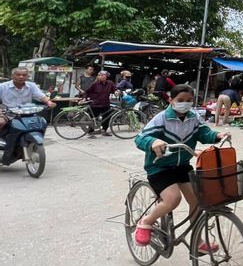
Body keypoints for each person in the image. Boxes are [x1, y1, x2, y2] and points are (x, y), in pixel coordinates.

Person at [132, 84, 228, 249]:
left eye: (189, 100)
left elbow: (203, 133)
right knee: (173, 199)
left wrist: (217, 135)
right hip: (159, 168)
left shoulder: (194, 117)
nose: (185, 103)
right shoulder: (161, 118)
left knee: (198, 201)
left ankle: (197, 242)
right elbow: (140, 138)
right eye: (180, 100)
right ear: (171, 100)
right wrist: (153, 142)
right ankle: (146, 221)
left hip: (183, 166)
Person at [0, 67, 56, 164]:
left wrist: (49, 102)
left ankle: (32, 144)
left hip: (26, 112)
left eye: (24, 75)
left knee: (41, 123)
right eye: (18, 75)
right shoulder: (3, 86)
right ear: (12, 76)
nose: (21, 77)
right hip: (7, 112)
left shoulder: (31, 86)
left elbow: (40, 96)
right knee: (1, 122)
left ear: (27, 76)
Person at [83, 70, 116, 137]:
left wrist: (116, 92)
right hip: (95, 104)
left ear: (106, 76)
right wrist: (85, 99)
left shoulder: (110, 83)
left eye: (102, 75)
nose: (100, 76)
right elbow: (87, 92)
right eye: (99, 75)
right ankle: (90, 132)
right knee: (93, 118)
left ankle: (104, 130)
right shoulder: (94, 84)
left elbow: (114, 90)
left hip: (105, 103)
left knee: (107, 118)